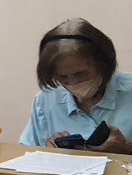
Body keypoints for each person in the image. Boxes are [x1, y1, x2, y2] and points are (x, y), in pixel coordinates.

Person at [21, 19, 132, 153]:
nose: (73, 83)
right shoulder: (46, 99)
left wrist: (127, 150)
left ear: (103, 65)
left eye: (81, 74)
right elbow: (26, 152)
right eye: (62, 77)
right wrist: (49, 153)